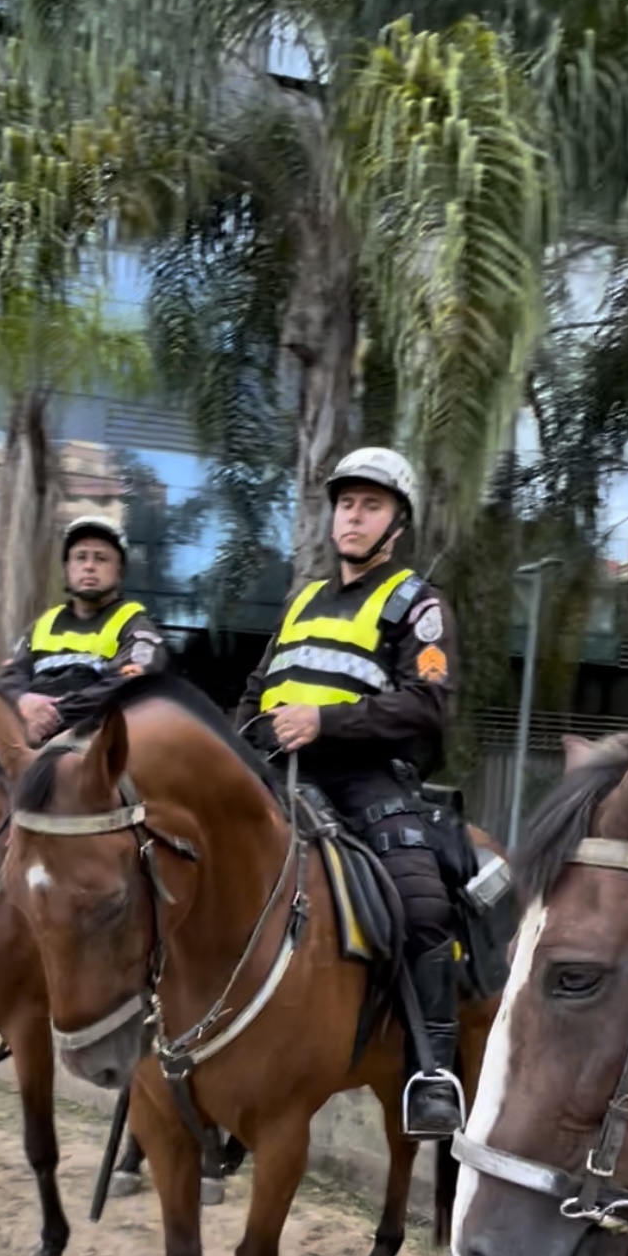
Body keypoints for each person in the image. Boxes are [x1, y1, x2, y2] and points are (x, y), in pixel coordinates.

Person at [235, 447, 464, 1137]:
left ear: (397, 522)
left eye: (370, 505)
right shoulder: (303, 598)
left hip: (365, 779)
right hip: (277, 773)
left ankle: (432, 1072)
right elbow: (254, 692)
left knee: (423, 905)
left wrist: (324, 722)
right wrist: (242, 742)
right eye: (345, 504)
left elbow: (428, 702)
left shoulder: (417, 604)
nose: (353, 516)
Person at [0, 515, 168, 744]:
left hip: (98, 750)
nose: (89, 566)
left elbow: (131, 681)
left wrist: (56, 715)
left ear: (119, 571)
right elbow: (9, 676)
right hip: (31, 745)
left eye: (101, 559)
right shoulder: (42, 625)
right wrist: (22, 701)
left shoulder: (135, 625)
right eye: (80, 557)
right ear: (67, 568)